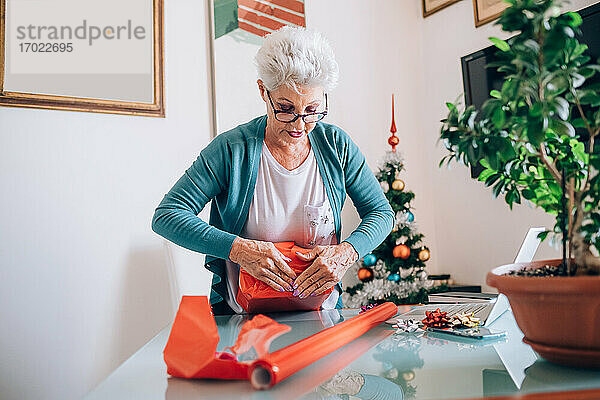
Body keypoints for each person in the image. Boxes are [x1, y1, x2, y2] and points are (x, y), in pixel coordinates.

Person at [152, 26, 394, 315]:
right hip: (242, 320)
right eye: (285, 108)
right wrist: (239, 250)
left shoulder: (336, 145)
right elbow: (167, 216)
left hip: (323, 314)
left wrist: (346, 252)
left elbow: (382, 213)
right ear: (262, 91)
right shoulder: (232, 149)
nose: (300, 124)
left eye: (312, 109)